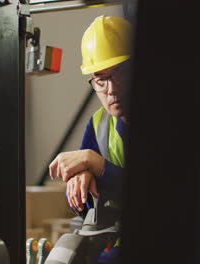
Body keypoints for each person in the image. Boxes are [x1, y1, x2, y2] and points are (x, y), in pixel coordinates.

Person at [49, 15, 131, 264]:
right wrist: (82, 179)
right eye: (101, 78)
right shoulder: (100, 124)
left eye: (119, 73)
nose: (111, 89)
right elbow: (84, 209)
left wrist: (98, 165)